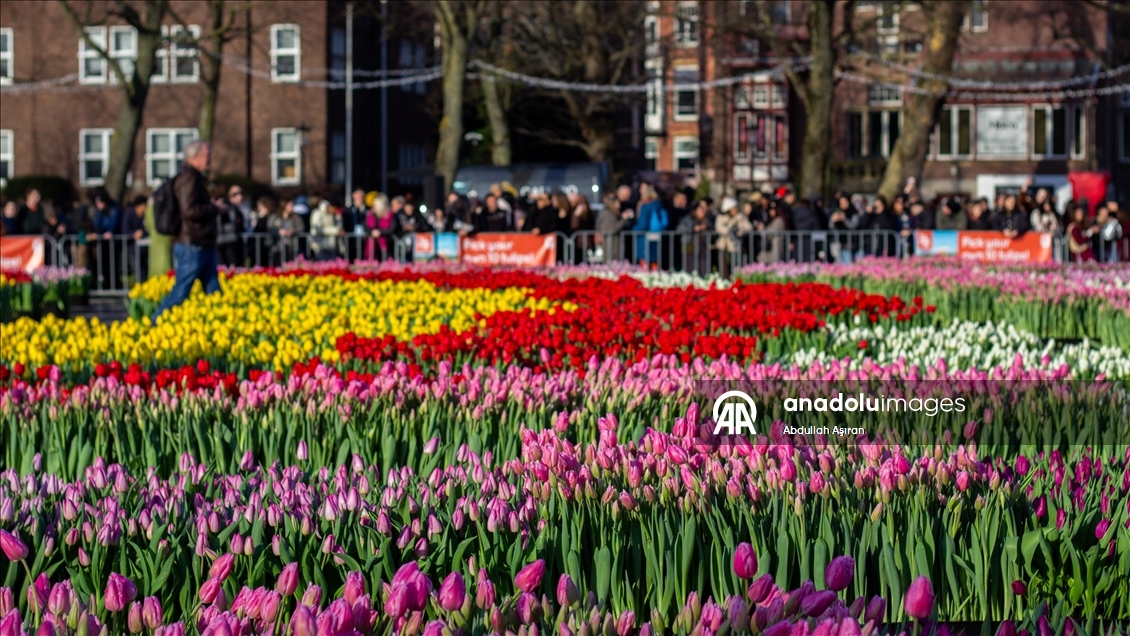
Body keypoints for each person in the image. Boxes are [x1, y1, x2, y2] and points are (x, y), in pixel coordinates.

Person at [152, 141, 221, 322]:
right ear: (195, 157)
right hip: (192, 244)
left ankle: (218, 328)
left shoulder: (194, 177)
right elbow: (189, 210)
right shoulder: (189, 178)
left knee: (214, 291)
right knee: (181, 292)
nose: (210, 159)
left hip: (201, 242)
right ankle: (155, 322)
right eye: (208, 155)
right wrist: (214, 208)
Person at [713, 197, 752, 275]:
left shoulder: (740, 217)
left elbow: (749, 227)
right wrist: (729, 230)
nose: (735, 210)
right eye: (733, 208)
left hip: (736, 247)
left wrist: (739, 230)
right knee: (724, 269)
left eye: (736, 208)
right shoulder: (721, 218)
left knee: (737, 269)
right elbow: (719, 227)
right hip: (724, 247)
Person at [632, 184, 667, 267]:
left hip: (644, 238)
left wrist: (633, 229)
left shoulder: (646, 206)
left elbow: (642, 224)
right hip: (657, 235)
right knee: (655, 263)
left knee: (645, 264)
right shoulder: (660, 205)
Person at [595, 193, 632, 261]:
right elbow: (613, 228)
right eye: (617, 203)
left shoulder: (611, 213)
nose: (619, 205)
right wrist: (624, 218)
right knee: (611, 262)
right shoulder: (608, 214)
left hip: (613, 242)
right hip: (611, 243)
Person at [214, 186, 245, 267]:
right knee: (230, 264)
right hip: (227, 238)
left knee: (224, 265)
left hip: (225, 238)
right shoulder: (228, 207)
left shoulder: (228, 207)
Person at [267, 199, 305, 266]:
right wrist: (279, 231)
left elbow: (301, 228)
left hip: (292, 247)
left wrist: (293, 231)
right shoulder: (275, 217)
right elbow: (270, 228)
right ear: (284, 205)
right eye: (290, 205)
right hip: (278, 247)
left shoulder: (296, 218)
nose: (292, 207)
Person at [828, 192, 859, 263]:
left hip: (851, 243)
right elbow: (831, 227)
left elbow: (853, 226)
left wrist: (845, 219)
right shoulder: (837, 211)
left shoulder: (853, 213)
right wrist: (832, 220)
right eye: (841, 203)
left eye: (845, 202)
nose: (843, 205)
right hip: (839, 243)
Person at [366, 193, 397, 260]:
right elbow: (367, 227)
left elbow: (392, 228)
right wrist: (372, 232)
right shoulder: (371, 214)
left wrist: (380, 232)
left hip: (386, 243)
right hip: (372, 243)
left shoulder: (390, 215)